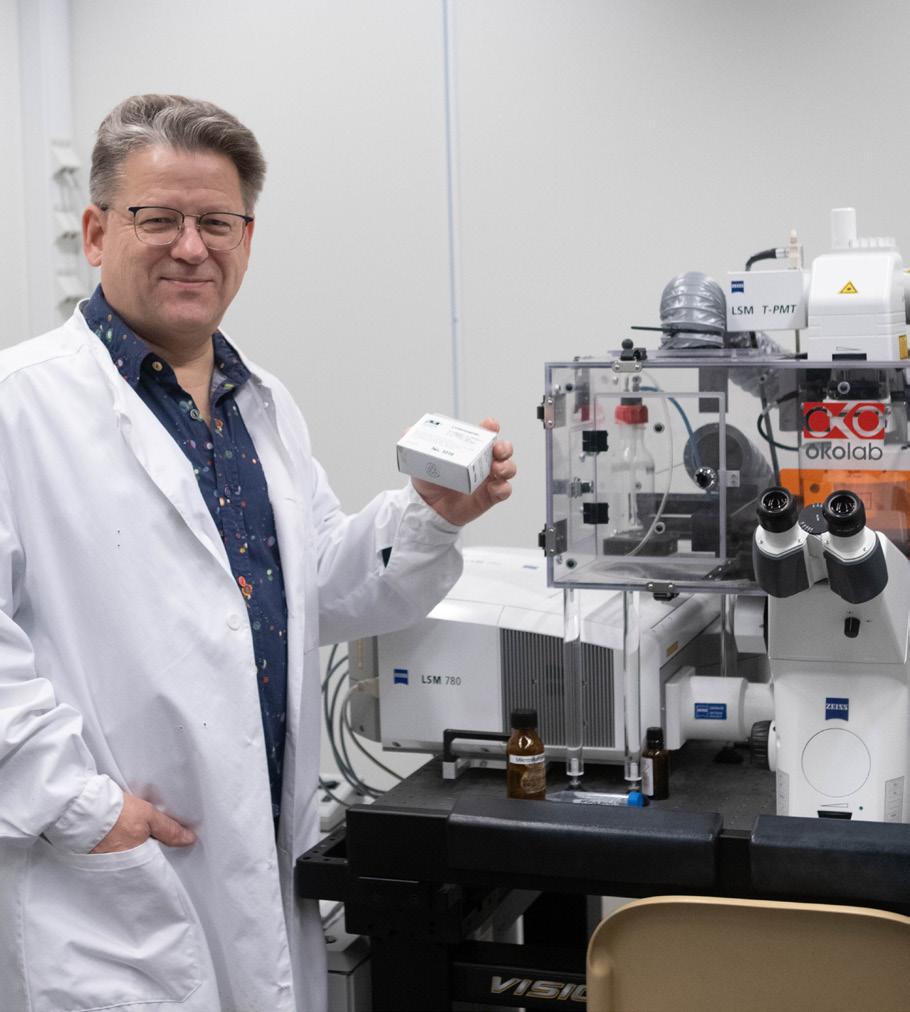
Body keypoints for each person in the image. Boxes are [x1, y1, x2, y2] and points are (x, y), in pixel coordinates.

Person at [0, 94, 516, 1012]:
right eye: (157, 218)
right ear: (95, 232)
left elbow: (315, 587)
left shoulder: (262, 405)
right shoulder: (20, 405)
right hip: (103, 885)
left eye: (217, 222)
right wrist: (82, 808)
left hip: (259, 857)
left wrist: (428, 515)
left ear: (247, 238)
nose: (191, 247)